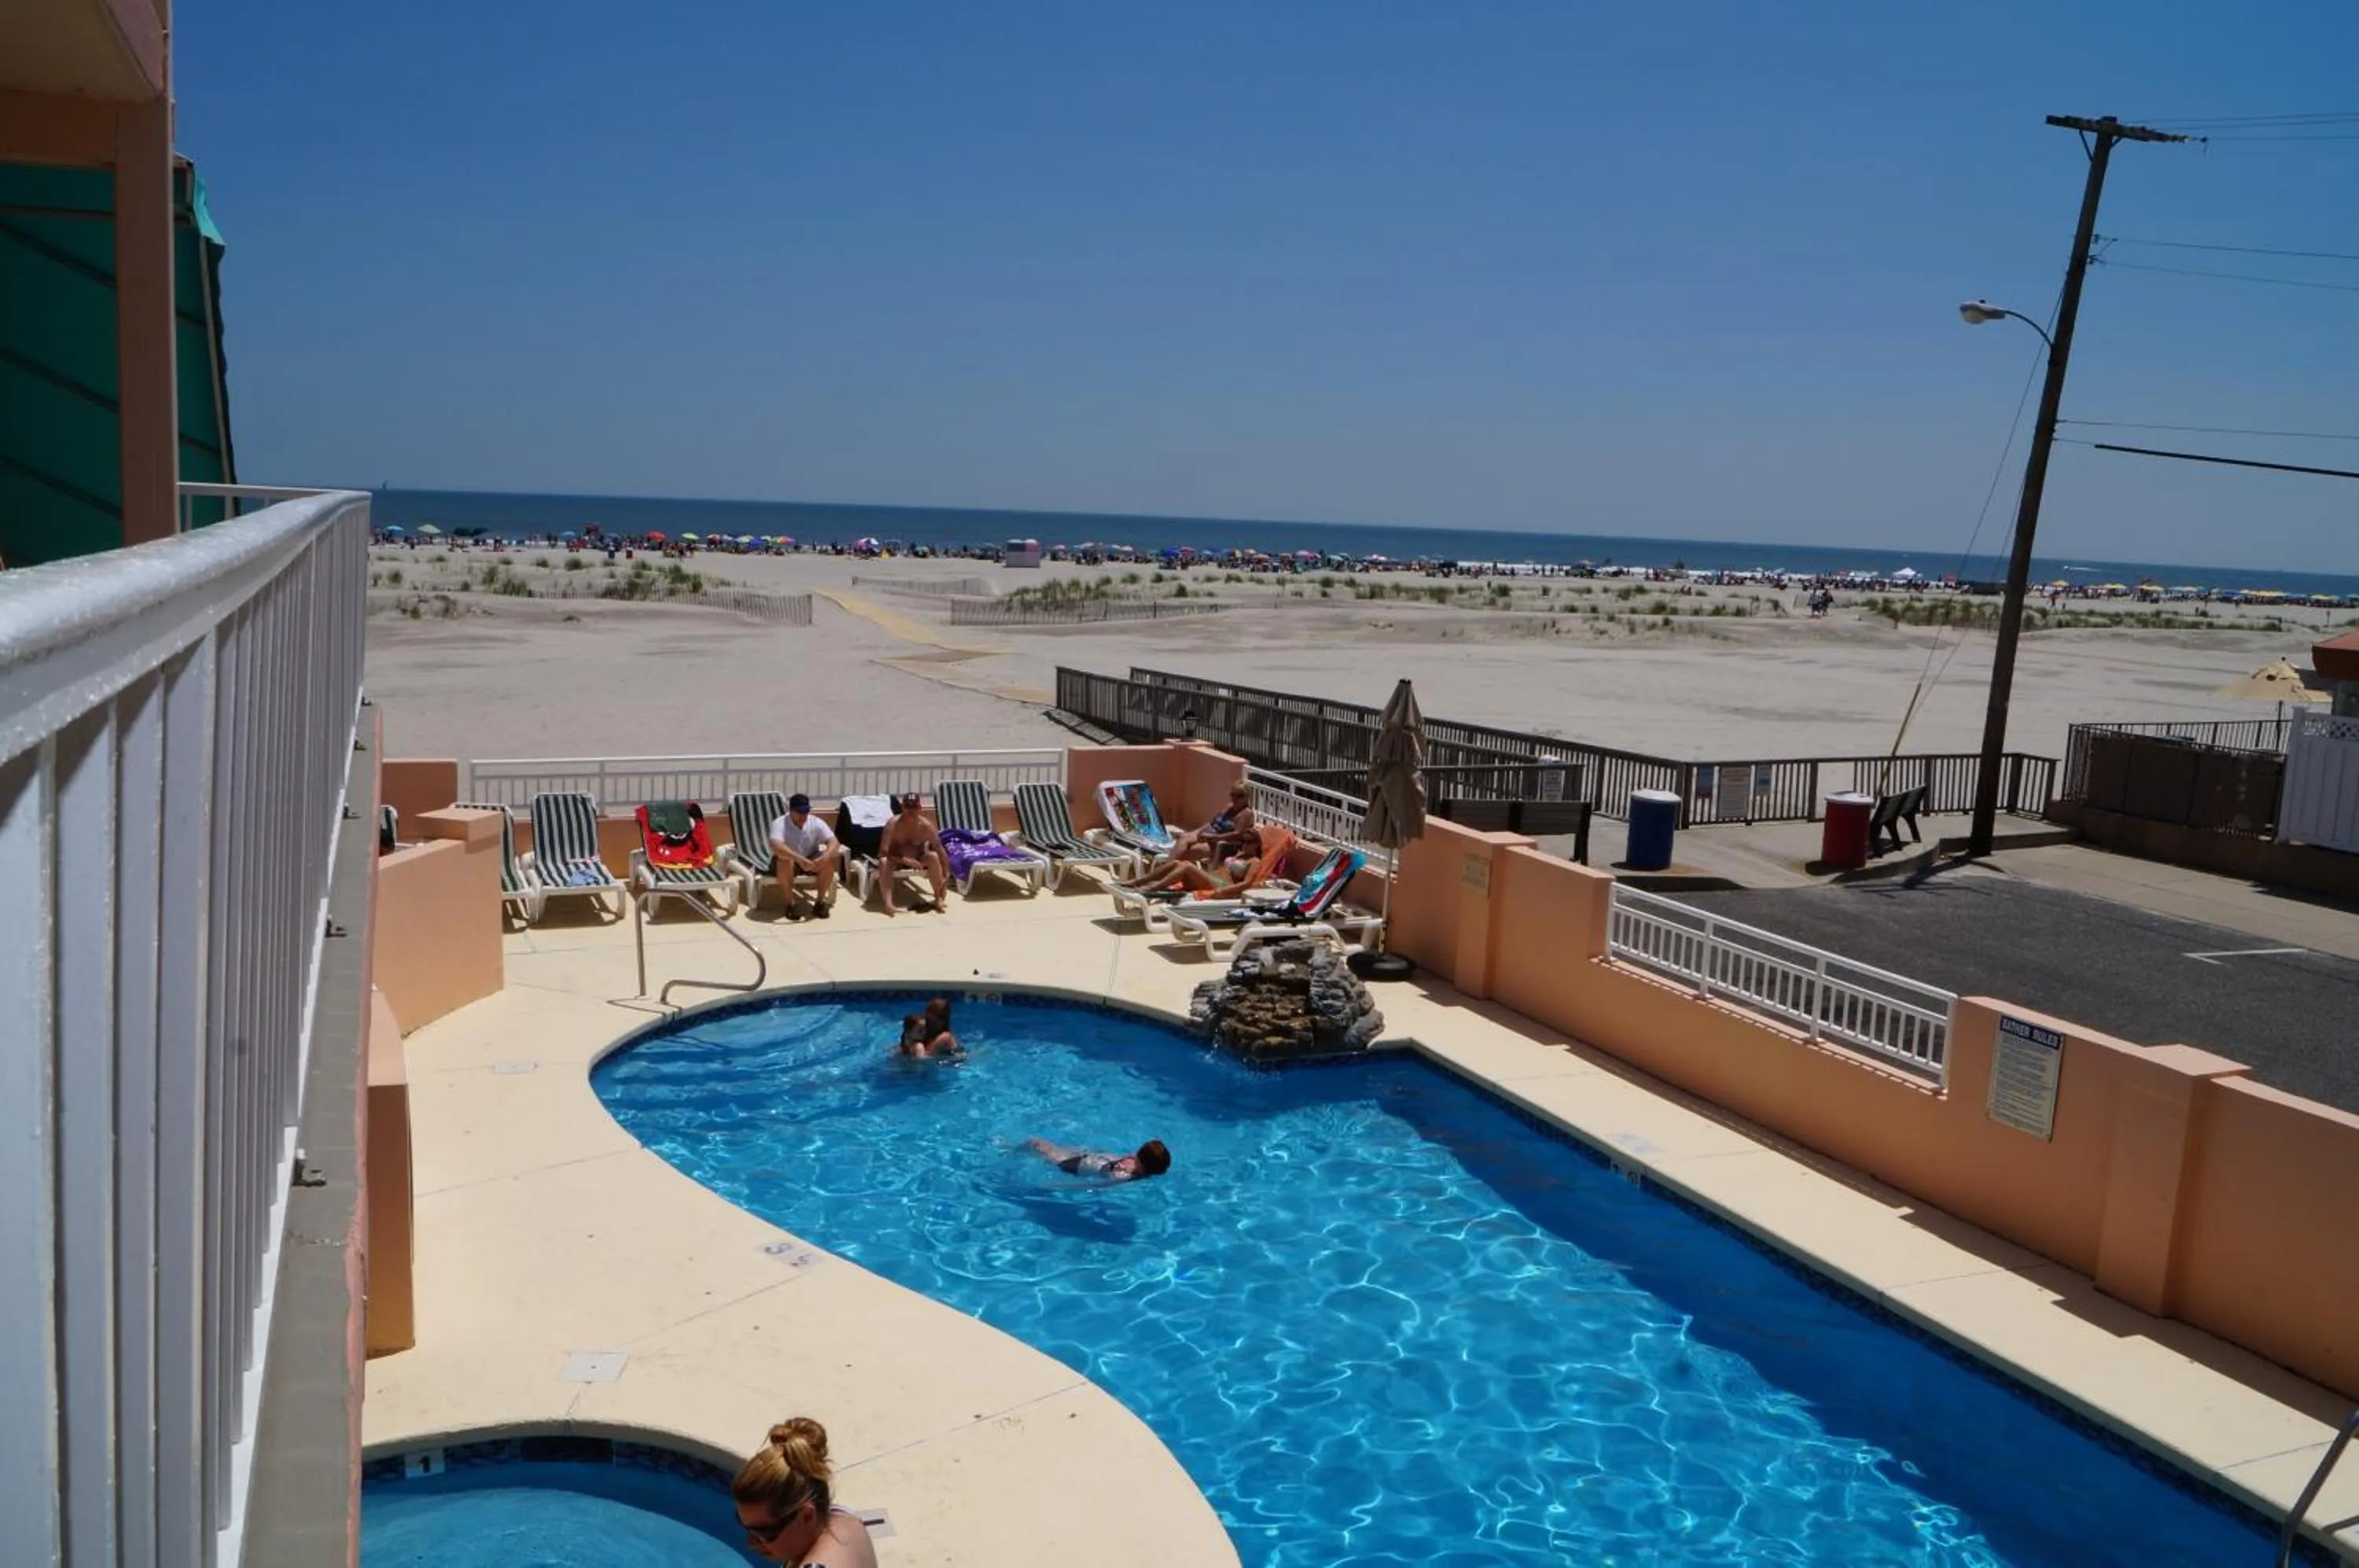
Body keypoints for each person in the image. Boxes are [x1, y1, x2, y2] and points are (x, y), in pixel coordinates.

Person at [733, 1416, 878, 1567]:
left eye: (764, 1533)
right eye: (747, 1528)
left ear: (807, 1516)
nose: (750, 1543)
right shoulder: (843, 1518)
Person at [1122, 784, 1254, 885]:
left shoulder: (1246, 814)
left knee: (1185, 852)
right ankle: (1159, 874)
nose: (1235, 798)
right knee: (1184, 839)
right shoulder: (1229, 806)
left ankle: (1155, 876)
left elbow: (1237, 835)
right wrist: (1197, 832)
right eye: (1233, 794)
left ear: (1247, 797)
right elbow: (1212, 823)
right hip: (1210, 835)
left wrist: (1213, 838)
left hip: (1222, 845)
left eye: (1239, 795)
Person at [1128, 824, 1270, 896]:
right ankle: (1139, 881)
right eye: (1243, 842)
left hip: (1220, 886)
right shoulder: (1240, 854)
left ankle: (1153, 888)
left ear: (1257, 843)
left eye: (1249, 842)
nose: (1245, 845)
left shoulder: (1254, 861)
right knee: (1178, 863)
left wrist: (1221, 892)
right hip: (1212, 878)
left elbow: (1246, 883)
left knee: (1187, 866)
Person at [767, 793, 839, 919]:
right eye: (799, 812)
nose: (803, 816)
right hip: (789, 861)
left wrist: (825, 857)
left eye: (806, 811)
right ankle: (791, 904)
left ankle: (820, 903)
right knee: (785, 859)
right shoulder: (780, 823)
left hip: (809, 858)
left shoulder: (815, 822)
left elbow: (834, 842)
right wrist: (799, 859)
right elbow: (776, 846)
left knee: (830, 859)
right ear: (791, 811)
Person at [876, 793, 949, 916]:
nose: (911, 811)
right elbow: (883, 852)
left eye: (914, 807)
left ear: (920, 808)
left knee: (933, 857)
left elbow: (940, 850)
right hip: (896, 860)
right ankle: (888, 904)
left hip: (919, 859)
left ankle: (939, 899)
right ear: (902, 808)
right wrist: (905, 860)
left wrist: (947, 874)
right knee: (884, 861)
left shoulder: (926, 826)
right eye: (908, 807)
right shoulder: (893, 824)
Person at [1025, 1136, 1172, 1183]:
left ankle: (1007, 1149)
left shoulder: (1123, 1175)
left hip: (1074, 1165)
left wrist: (1063, 1187)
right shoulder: (1138, 1167)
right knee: (1039, 1144)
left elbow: (1098, 1185)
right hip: (1086, 1157)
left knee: (1035, 1144)